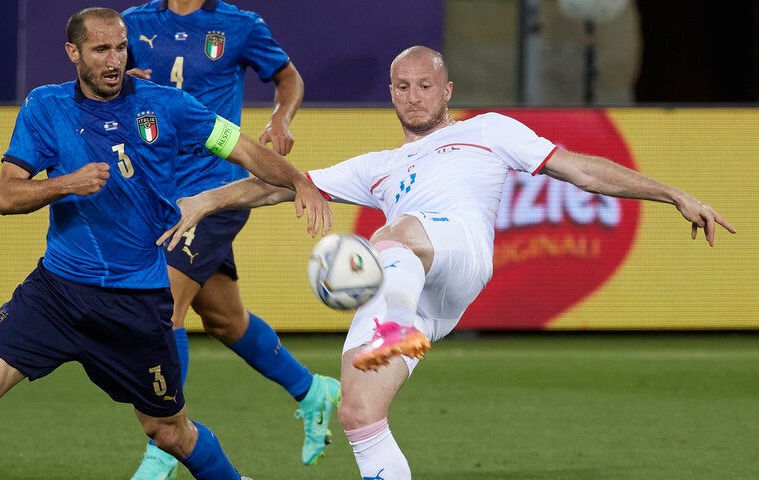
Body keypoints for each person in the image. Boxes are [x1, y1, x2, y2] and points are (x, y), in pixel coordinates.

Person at [157, 45, 737, 479]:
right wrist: (206, 200)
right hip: (413, 288)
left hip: (457, 251)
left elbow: (582, 169)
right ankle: (399, 326)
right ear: (391, 92)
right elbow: (281, 185)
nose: (414, 96)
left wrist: (672, 193)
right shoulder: (377, 164)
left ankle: (396, 325)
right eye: (402, 86)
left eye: (426, 85)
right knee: (360, 414)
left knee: (396, 232)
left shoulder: (489, 130)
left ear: (447, 89)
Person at [0, 8, 330, 480]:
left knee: (170, 433)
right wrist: (66, 183)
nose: (114, 60)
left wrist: (301, 182)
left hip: (135, 305)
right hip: (56, 294)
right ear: (73, 53)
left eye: (120, 48)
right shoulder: (45, 107)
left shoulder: (167, 106)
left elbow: (246, 150)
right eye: (100, 49)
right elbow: (6, 197)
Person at [119, 0, 342, 475]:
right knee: (223, 318)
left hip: (215, 191)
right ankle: (312, 390)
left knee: (165, 305)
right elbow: (99, 85)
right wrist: (121, 88)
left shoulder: (239, 26)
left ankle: (165, 447)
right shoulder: (132, 24)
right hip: (155, 190)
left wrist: (281, 118)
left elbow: (288, 77)